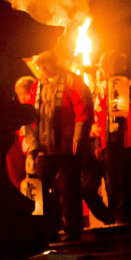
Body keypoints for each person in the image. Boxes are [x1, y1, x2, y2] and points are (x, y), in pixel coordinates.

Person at [33, 49, 92, 242]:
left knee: (69, 189)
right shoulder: (37, 86)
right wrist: (32, 147)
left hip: (67, 147)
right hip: (44, 147)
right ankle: (45, 231)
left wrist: (78, 139)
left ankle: (73, 231)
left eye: (46, 63)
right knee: (39, 189)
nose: (43, 68)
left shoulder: (72, 81)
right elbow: (31, 117)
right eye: (40, 65)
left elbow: (83, 110)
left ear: (55, 62)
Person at [94, 51, 131, 224]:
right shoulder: (103, 87)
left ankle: (129, 211)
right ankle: (118, 213)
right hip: (110, 139)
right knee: (113, 177)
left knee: (128, 176)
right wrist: (98, 142)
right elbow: (98, 114)